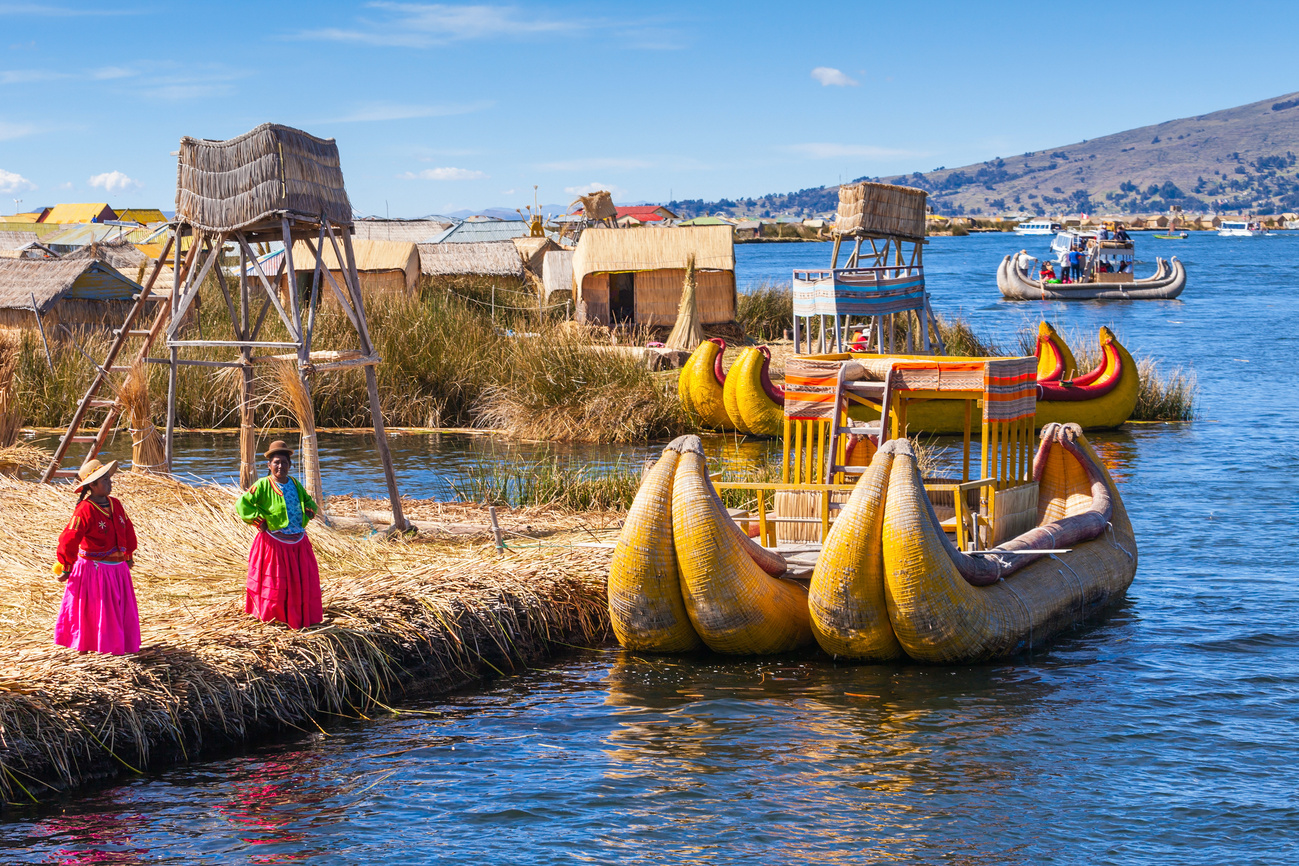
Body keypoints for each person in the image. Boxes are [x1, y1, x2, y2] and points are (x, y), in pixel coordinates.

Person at [54, 459, 140, 654]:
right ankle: (92, 647)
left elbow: (127, 529)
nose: (110, 483)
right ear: (92, 485)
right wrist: (66, 567)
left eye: (109, 479)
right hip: (96, 571)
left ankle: (119, 646)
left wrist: (128, 555)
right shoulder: (85, 509)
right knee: (97, 611)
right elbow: (69, 539)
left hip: (118, 570)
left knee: (118, 610)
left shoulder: (115, 504)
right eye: (105, 480)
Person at [236, 441, 323, 629]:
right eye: (276, 462)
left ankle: (297, 615)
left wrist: (310, 510)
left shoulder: (295, 484)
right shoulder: (262, 485)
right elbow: (242, 504)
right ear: (269, 465)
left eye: (284, 462)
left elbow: (308, 501)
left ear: (290, 465)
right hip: (275, 543)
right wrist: (259, 521)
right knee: (276, 583)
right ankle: (274, 616)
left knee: (300, 582)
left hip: (298, 541)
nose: (280, 466)